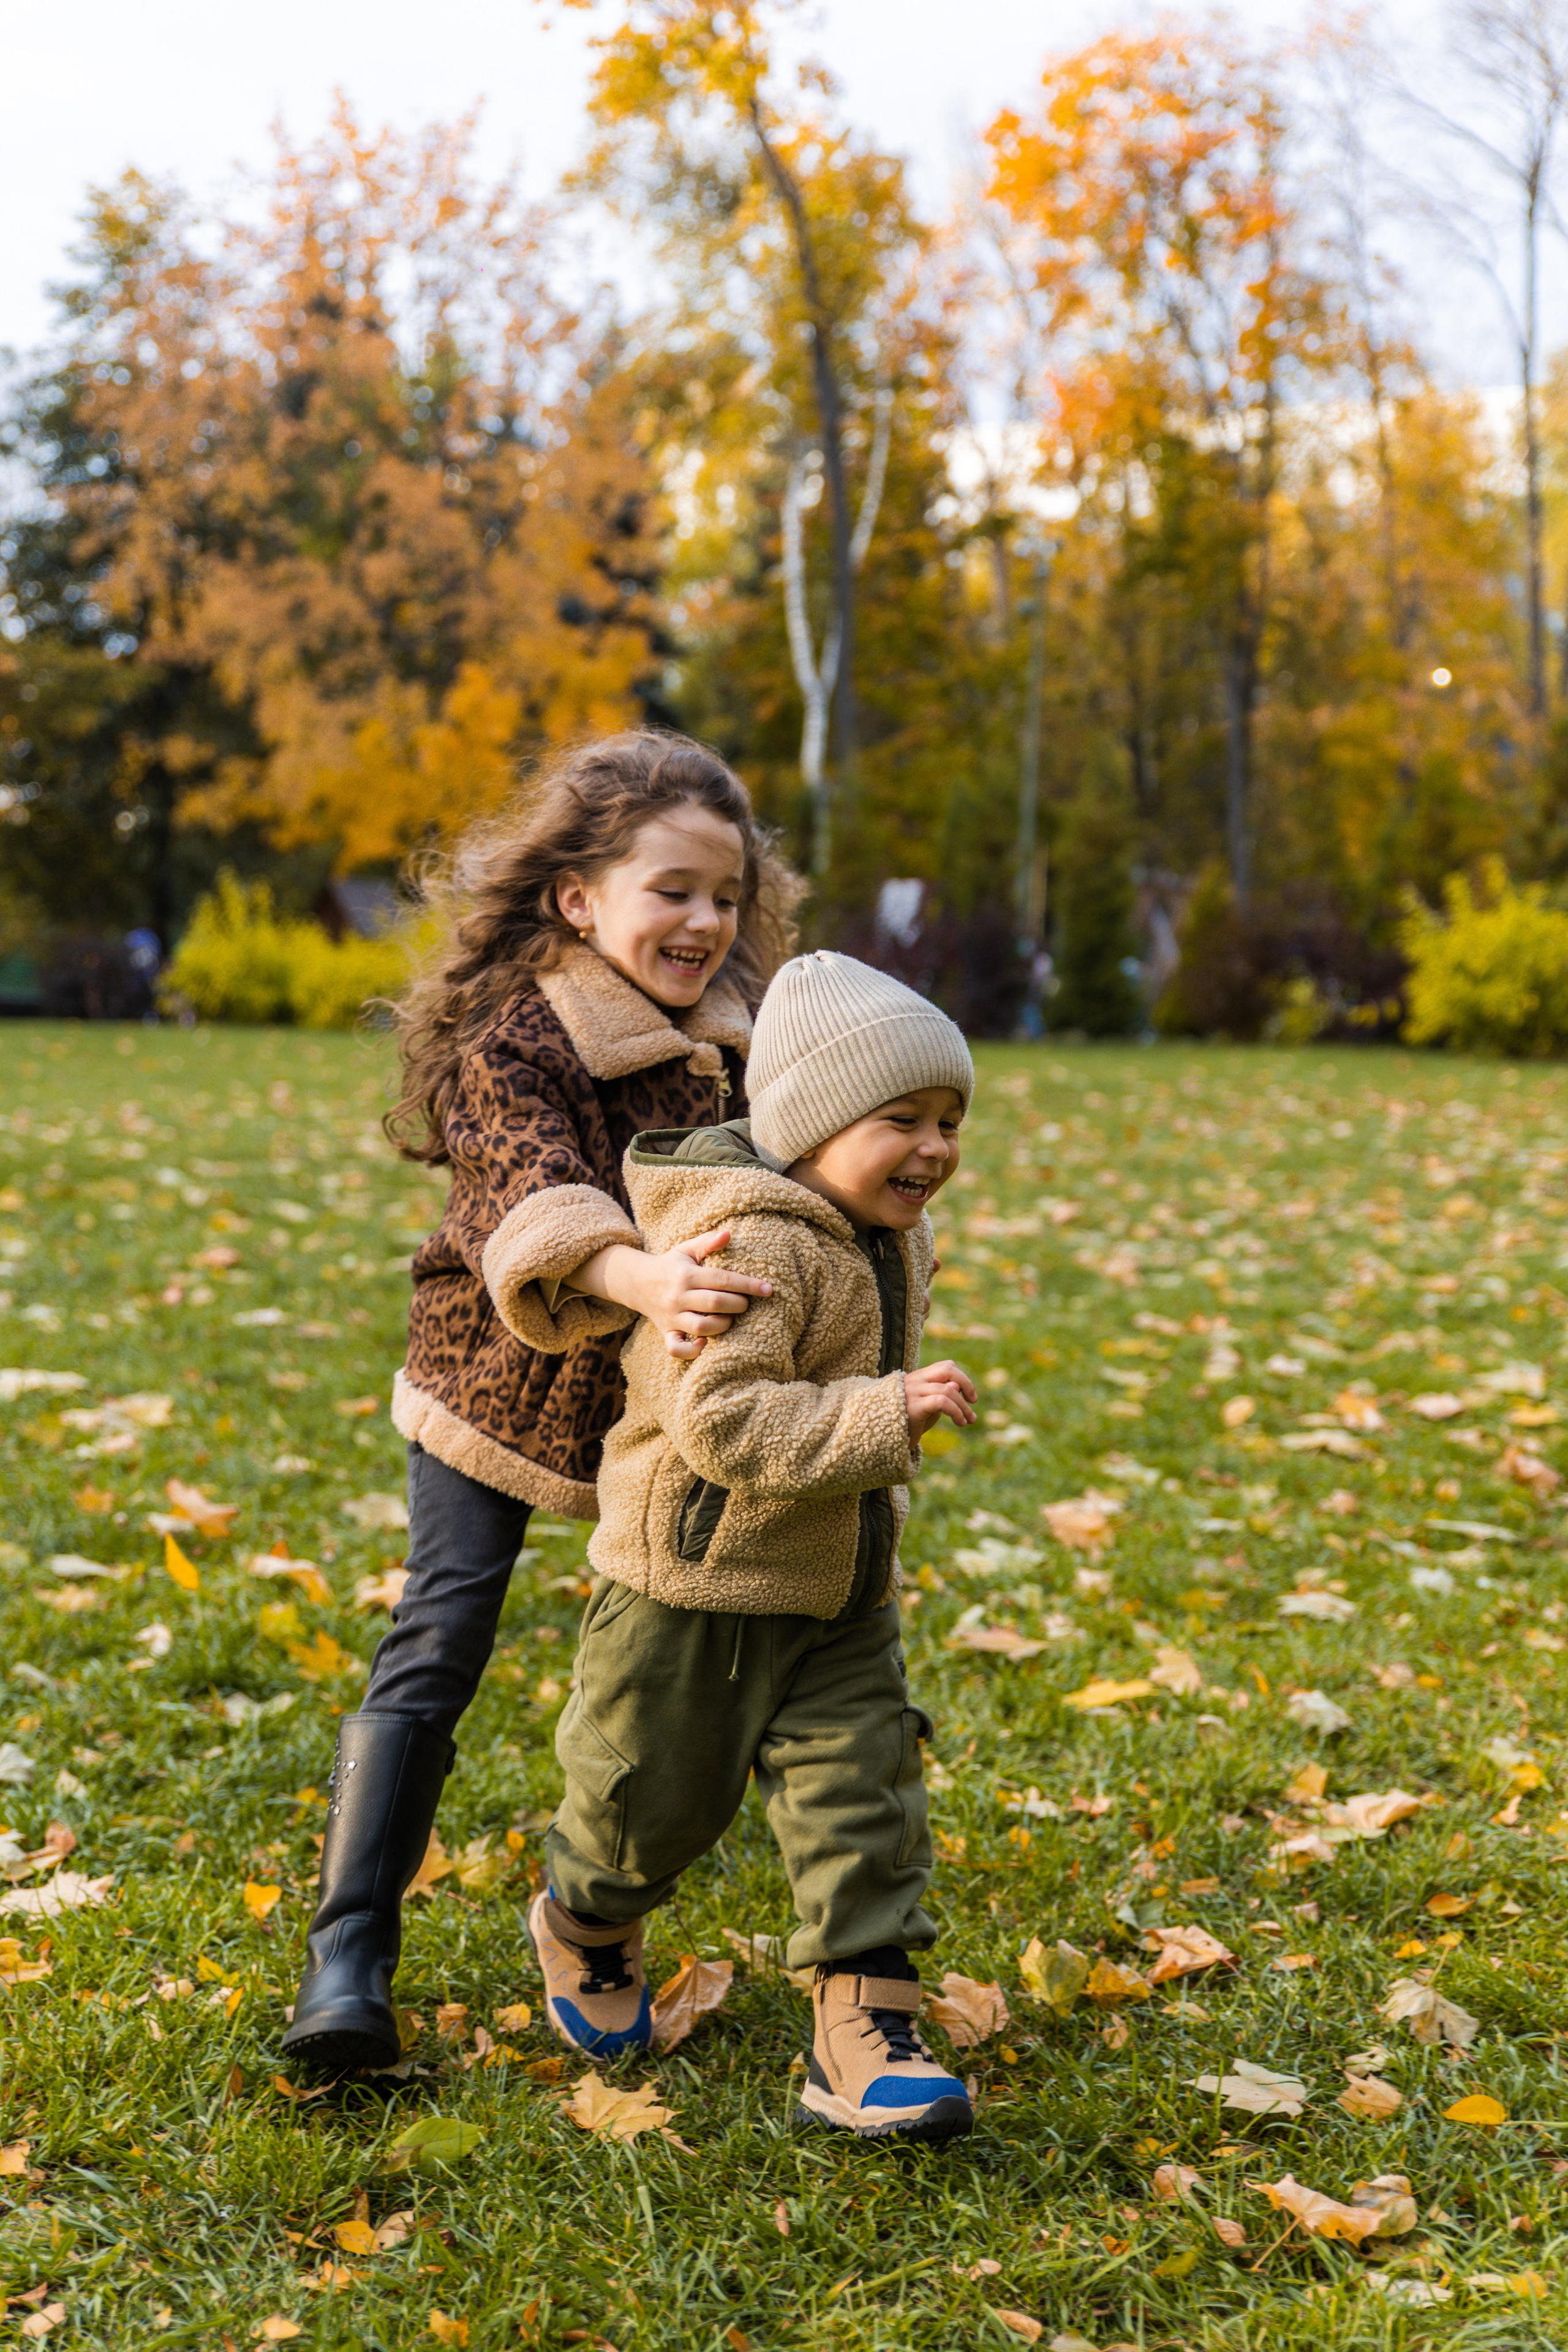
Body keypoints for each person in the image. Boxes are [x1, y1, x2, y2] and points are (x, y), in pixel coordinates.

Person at [282, 731, 799, 2076]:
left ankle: (621, 1911)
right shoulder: (515, 1040)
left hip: (670, 1391)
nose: (702, 921)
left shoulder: (747, 1049)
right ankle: (347, 1958)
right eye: (670, 888)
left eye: (724, 897)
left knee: (721, 1629)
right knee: (443, 1627)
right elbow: (532, 1192)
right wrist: (641, 1273)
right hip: (498, 1382)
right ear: (577, 897)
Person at [529, 950, 980, 2142]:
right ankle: (582, 1923)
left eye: (949, 1120)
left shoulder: (881, 1234)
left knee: (862, 1795)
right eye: (902, 1120)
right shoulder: (747, 1249)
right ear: (813, 1125)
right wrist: (883, 1417)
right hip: (693, 1588)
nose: (933, 1148)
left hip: (836, 1590)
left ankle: (863, 2037)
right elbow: (723, 1426)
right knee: (648, 1816)